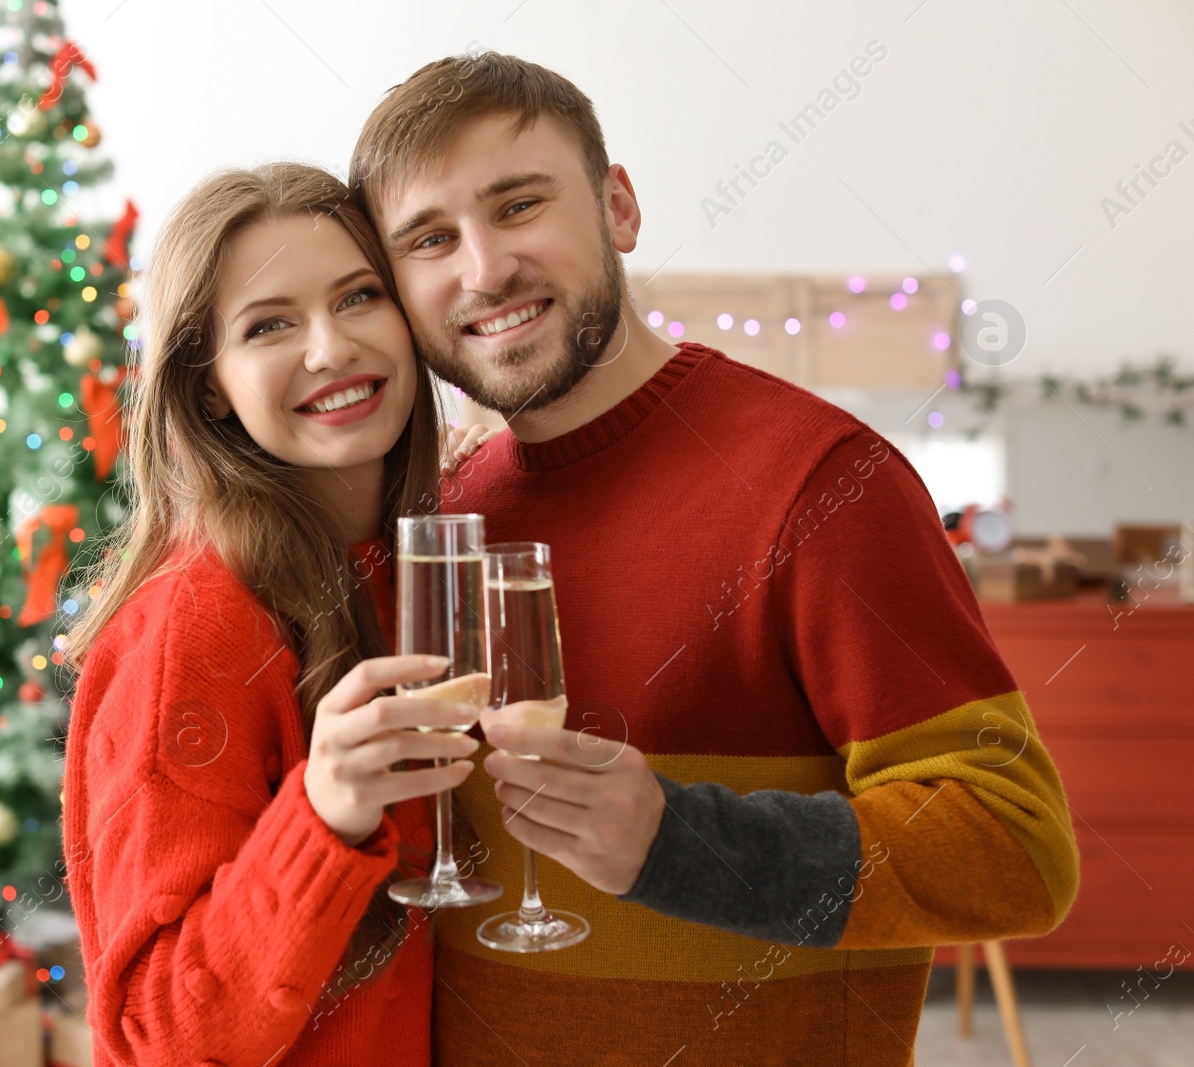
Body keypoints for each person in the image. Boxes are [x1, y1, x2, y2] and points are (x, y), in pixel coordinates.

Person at [348, 53, 1081, 1065]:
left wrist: (677, 844)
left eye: (518, 205)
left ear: (617, 208)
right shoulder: (443, 514)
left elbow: (1016, 847)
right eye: (430, 239)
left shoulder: (823, 483)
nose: (482, 269)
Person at [59, 163, 494, 1067]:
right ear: (208, 383)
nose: (331, 348)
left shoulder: (420, 562)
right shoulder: (197, 622)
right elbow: (155, 1037)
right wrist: (322, 815)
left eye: (359, 297)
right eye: (269, 325)